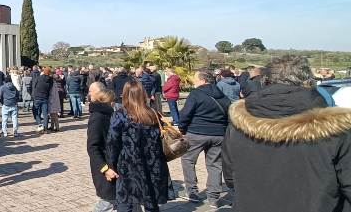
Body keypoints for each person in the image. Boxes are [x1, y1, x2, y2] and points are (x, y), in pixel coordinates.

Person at [223, 56, 351, 212]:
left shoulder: (239, 124)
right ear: (308, 82)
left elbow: (230, 177)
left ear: (265, 81)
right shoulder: (337, 127)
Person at [106, 81, 170, 212]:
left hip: (129, 164)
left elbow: (112, 143)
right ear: (143, 94)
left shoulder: (120, 115)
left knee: (125, 200)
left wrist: (111, 165)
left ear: (125, 95)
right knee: (151, 199)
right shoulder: (153, 113)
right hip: (153, 162)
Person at [177, 69, 230, 207]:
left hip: (196, 133)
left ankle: (192, 192)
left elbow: (185, 114)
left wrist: (182, 128)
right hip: (219, 135)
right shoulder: (223, 96)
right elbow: (229, 115)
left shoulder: (196, 94)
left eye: (195, 78)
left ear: (203, 80)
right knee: (215, 164)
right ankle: (213, 197)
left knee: (188, 160)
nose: (193, 81)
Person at [86, 82, 116, 212]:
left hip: (113, 163)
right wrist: (105, 169)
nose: (88, 94)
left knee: (121, 199)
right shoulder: (97, 117)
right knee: (108, 200)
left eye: (90, 91)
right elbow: (92, 147)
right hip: (105, 165)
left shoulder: (109, 114)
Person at [31, 67, 53, 134]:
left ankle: (40, 124)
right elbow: (50, 89)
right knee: (45, 114)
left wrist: (33, 95)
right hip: (45, 97)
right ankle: (45, 128)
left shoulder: (38, 78)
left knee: (35, 111)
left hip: (37, 97)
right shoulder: (50, 80)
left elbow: (34, 86)